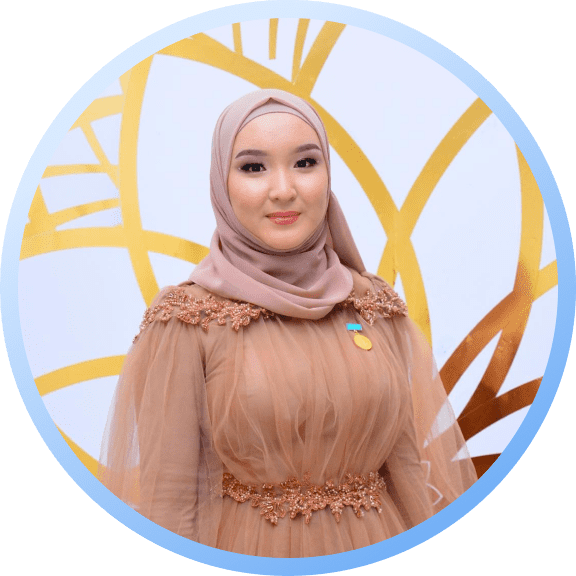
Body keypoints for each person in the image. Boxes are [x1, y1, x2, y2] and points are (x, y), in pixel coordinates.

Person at [98, 89, 477, 558]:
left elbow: (406, 470)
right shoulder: (187, 319)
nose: (282, 189)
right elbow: (169, 503)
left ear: (328, 175)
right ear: (221, 183)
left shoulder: (372, 305)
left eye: (305, 163)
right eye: (253, 167)